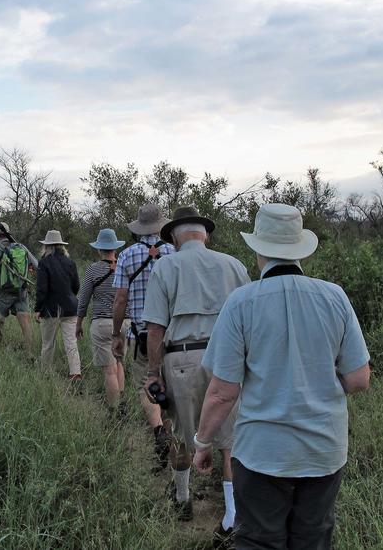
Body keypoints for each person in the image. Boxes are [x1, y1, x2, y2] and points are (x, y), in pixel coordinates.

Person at [192, 204, 372, 550]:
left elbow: (222, 392)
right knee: (313, 539)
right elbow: (359, 379)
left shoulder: (241, 303)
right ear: (299, 248)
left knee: (259, 542)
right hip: (323, 452)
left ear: (259, 248)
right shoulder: (334, 297)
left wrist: (203, 443)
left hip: (262, 455)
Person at [142, 206, 250, 526]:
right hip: (227, 360)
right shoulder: (234, 265)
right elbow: (248, 321)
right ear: (205, 235)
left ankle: (183, 499)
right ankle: (231, 515)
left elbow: (156, 328)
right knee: (230, 442)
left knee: (180, 434)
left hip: (182, 358)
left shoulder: (166, 266)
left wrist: (152, 372)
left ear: (175, 237)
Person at [110, 204, 176, 466]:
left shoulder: (126, 255)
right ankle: (171, 434)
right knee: (171, 384)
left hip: (141, 334)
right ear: (161, 226)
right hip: (173, 334)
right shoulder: (174, 252)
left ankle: (158, 429)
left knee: (145, 385)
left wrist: (116, 333)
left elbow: (120, 299)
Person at [76, 228, 129, 411]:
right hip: (125, 322)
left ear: (99, 249)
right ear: (115, 247)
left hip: (102, 323)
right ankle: (121, 402)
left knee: (109, 369)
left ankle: (114, 410)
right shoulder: (125, 266)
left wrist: (79, 322)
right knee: (119, 362)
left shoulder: (93, 269)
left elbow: (83, 299)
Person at [34, 230, 82, 381]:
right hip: (71, 308)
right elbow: (76, 286)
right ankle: (75, 374)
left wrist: (37, 309)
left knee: (48, 344)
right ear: (61, 245)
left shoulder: (44, 263)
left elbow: (42, 289)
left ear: (47, 246)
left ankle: (45, 374)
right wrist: (68, 296)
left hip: (50, 310)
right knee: (71, 343)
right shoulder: (70, 262)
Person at [0, 222, 38, 355]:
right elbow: (37, 265)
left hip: (3, 292)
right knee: (25, 322)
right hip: (21, 291)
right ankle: (29, 353)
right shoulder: (21, 247)